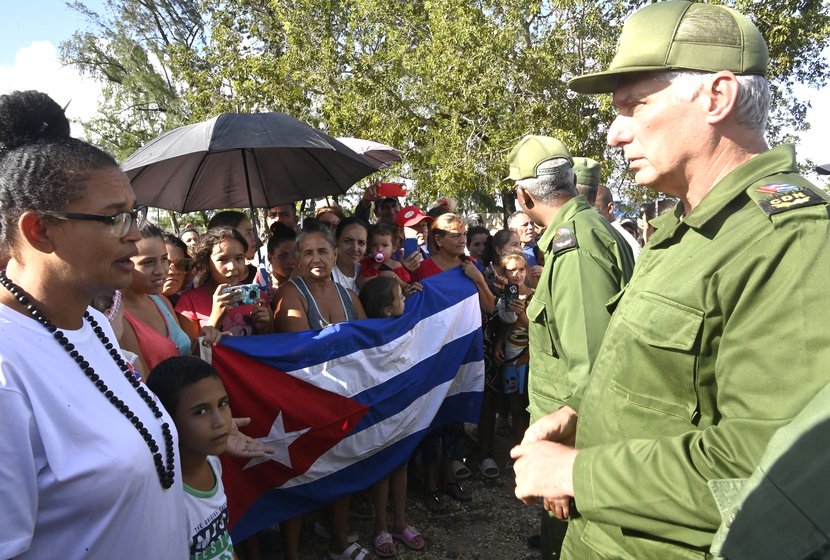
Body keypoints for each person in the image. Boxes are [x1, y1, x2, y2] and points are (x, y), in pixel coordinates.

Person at [511, 2, 830, 558]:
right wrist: (581, 413)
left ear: (717, 96)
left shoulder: (791, 241)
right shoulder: (686, 227)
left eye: (635, 106)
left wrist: (580, 474)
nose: (613, 135)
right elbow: (666, 383)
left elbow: (769, 475)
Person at [507, 135, 635, 559]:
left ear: (524, 195)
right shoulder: (580, 233)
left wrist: (567, 463)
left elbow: (591, 370)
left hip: (571, 441)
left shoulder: (574, 247)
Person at [272, 224, 369, 560]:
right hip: (304, 401)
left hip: (343, 400)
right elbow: (300, 353)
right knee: (299, 477)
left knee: (341, 469)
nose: (316, 258)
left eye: (323, 251)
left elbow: (368, 345)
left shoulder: (349, 296)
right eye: (308, 252)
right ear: (299, 258)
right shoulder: (290, 294)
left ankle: (338, 542)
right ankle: (292, 554)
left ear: (334, 254)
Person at [411, 213, 495, 510]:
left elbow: (489, 306)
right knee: (433, 420)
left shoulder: (470, 267)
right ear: (438, 239)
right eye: (455, 235)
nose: (462, 239)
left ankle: (450, 478)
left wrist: (479, 280)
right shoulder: (422, 270)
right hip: (433, 356)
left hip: (464, 353)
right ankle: (429, 483)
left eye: (463, 234)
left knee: (455, 419)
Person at [359, 276, 426, 558]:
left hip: (402, 406)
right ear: (387, 309)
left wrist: (410, 296)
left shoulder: (401, 321)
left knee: (401, 463)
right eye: (400, 297)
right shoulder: (369, 335)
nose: (404, 300)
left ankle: (400, 521)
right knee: (383, 469)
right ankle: (381, 525)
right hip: (381, 411)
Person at [147, 356, 235, 560]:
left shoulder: (212, 462)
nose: (220, 421)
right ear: (167, 419)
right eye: (201, 411)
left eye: (223, 404)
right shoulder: (166, 500)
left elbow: (224, 543)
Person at [119, 222, 194, 375]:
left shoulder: (161, 301)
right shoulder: (116, 317)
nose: (161, 270)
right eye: (148, 262)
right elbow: (142, 384)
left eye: (164, 259)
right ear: (123, 263)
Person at [176, 226, 273, 338]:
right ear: (207, 262)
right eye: (222, 259)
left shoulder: (259, 298)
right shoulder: (188, 303)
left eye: (239, 258)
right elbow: (192, 353)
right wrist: (215, 319)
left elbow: (272, 345)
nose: (232, 267)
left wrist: (265, 328)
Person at [357, 222, 411, 291]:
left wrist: (395, 278)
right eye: (374, 245)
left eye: (384, 245)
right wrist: (377, 277)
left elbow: (405, 286)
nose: (379, 249)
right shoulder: (367, 264)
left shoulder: (397, 266)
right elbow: (359, 283)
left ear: (393, 248)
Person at [332, 216, 369, 294]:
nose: (355, 248)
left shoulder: (365, 272)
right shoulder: (327, 274)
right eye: (348, 241)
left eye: (361, 243)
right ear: (336, 241)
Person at [507, 210, 543, 286]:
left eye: (532, 223)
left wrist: (545, 272)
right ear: (512, 230)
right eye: (525, 224)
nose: (530, 227)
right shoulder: (506, 252)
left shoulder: (542, 249)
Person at [163, 233, 194, 305]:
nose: (173, 272)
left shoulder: (184, 304)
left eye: (181, 264)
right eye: (165, 263)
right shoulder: (134, 309)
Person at [266, 221, 298, 293]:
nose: (290, 261)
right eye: (283, 256)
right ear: (270, 257)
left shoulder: (306, 287)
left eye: (295, 255)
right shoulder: (261, 287)